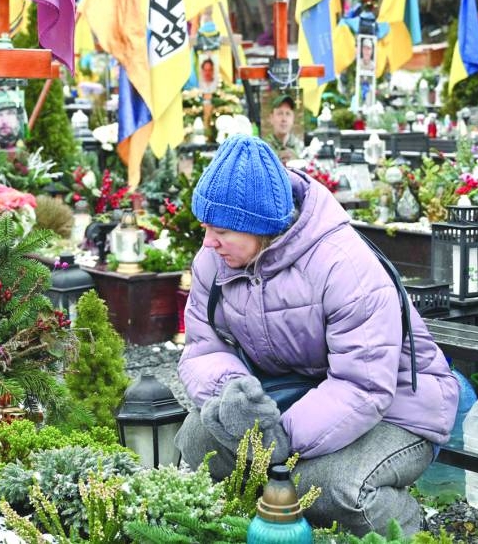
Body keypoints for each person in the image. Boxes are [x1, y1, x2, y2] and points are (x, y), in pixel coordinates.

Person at [175, 135, 458, 537]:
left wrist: (281, 438)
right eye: (204, 227)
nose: (208, 242)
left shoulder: (343, 265)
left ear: (262, 228)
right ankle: (268, 517)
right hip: (298, 395)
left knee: (330, 487)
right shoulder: (214, 262)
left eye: (220, 230)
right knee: (198, 436)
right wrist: (237, 397)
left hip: (396, 408)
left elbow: (363, 385)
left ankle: (408, 529)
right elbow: (204, 348)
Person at [265, 94, 303, 163]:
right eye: (280, 113)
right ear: (271, 118)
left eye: (288, 114)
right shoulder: (264, 148)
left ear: (293, 118)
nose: (284, 119)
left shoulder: (301, 147)